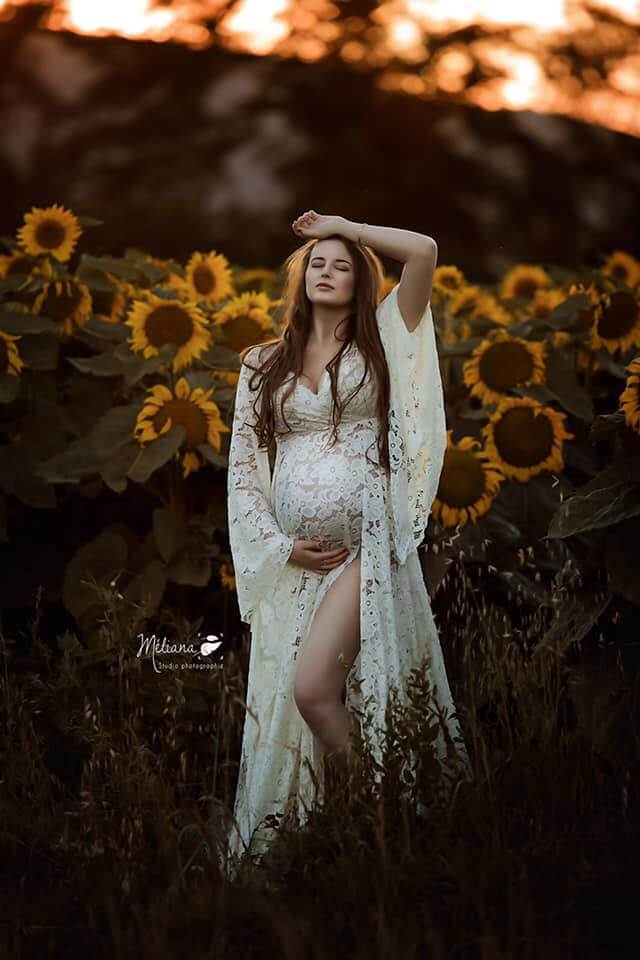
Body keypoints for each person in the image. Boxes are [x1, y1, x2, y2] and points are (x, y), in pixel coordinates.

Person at [222, 212, 472, 878]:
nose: (325, 269)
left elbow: (424, 247)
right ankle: (339, 837)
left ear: (362, 279)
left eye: (342, 262)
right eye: (316, 261)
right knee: (307, 694)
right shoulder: (262, 363)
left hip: (368, 556)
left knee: (312, 691)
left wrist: (341, 224)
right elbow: (243, 470)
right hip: (299, 562)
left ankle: (378, 817)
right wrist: (279, 547)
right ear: (300, 278)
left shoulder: (385, 341)